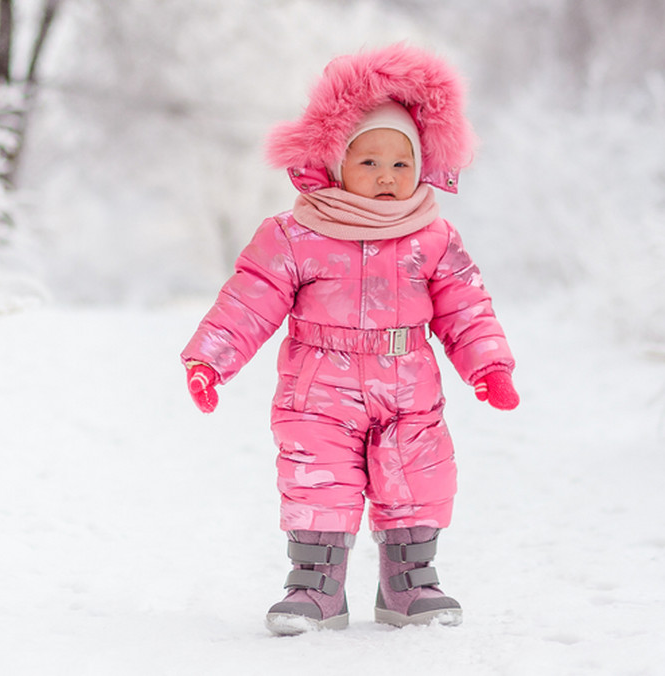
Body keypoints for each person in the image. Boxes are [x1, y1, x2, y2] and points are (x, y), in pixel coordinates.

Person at [179, 44, 519, 636]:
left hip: (408, 385)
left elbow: (466, 304)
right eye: (368, 164)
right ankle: (315, 587)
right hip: (319, 389)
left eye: (400, 164)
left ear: (423, 166)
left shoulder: (434, 237)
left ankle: (409, 584)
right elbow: (249, 300)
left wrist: (488, 365)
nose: (386, 178)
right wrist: (210, 360)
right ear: (335, 165)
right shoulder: (296, 234)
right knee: (318, 478)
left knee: (416, 477)